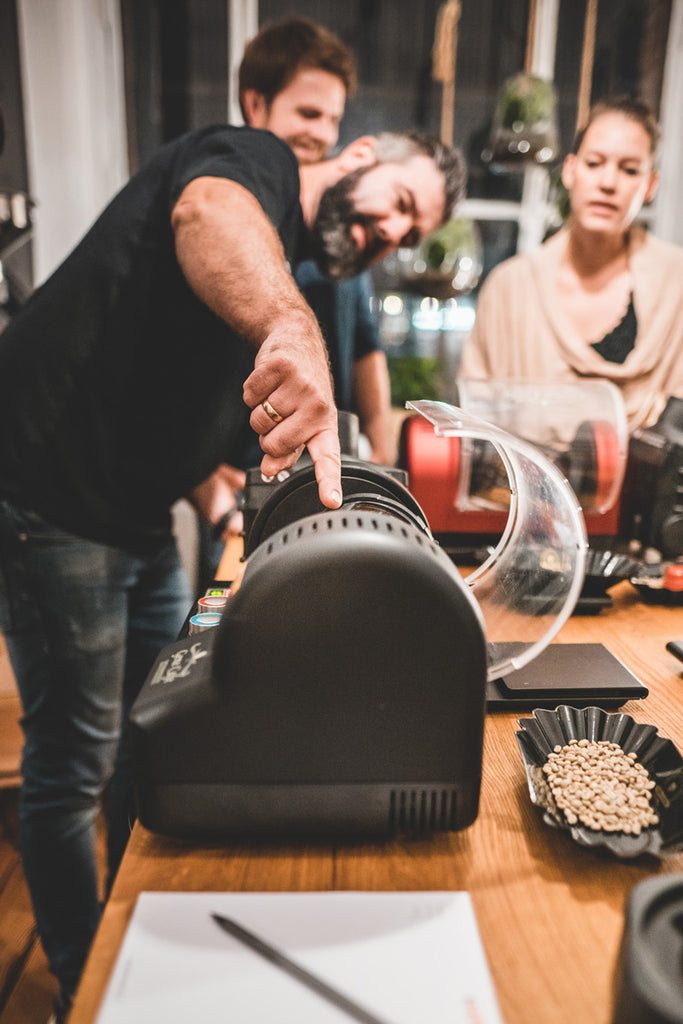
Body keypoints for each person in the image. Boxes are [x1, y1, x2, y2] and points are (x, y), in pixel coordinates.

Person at [0, 122, 466, 1017]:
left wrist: (223, 500)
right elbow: (206, 212)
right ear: (363, 155)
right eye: (396, 205)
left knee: (160, 730)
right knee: (74, 764)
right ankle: (84, 984)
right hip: (51, 500)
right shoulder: (254, 167)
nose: (385, 235)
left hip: (137, 518)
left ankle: (139, 937)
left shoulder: (295, 262)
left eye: (404, 236)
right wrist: (290, 323)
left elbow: (202, 412)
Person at [190, 19, 396, 562]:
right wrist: (208, 483)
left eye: (333, 119)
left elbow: (368, 354)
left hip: (322, 483)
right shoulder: (228, 211)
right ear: (255, 107)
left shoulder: (333, 236)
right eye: (308, 114)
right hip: (242, 491)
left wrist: (389, 464)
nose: (324, 134)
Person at [459, 95, 683, 434]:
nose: (608, 183)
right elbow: (478, 418)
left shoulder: (676, 284)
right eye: (594, 163)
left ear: (650, 185)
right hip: (521, 486)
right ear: (570, 171)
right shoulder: (511, 286)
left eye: (630, 170)